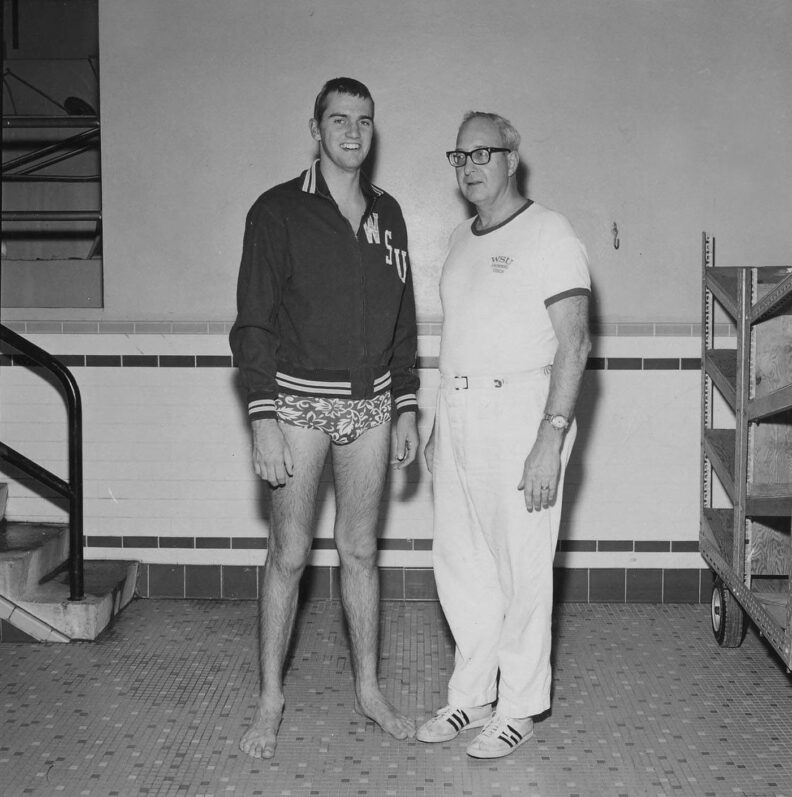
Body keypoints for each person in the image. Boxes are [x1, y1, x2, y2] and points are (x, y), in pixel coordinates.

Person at [230, 77, 419, 760]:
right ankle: (270, 697)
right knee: (289, 553)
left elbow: (403, 318)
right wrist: (262, 418)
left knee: (362, 550)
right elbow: (252, 322)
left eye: (364, 120)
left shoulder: (389, 213)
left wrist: (404, 404)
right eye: (338, 120)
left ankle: (368, 686)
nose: (352, 132)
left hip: (369, 404)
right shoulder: (276, 211)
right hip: (297, 403)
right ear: (315, 128)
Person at [416, 111, 591, 759]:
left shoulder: (550, 233)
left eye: (482, 153)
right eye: (459, 156)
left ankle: (518, 704)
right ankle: (471, 696)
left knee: (521, 564)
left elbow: (575, 343)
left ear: (511, 157)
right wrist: (440, 424)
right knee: (462, 564)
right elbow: (456, 343)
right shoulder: (460, 240)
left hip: (524, 416)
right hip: (460, 419)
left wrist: (552, 434)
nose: (469, 166)